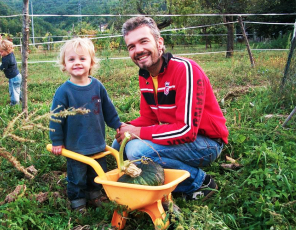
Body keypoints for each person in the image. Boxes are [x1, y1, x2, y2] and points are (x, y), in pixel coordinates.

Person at [113, 16, 229, 201]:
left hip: (206, 142)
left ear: (159, 43)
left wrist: (139, 132)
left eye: (144, 41)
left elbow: (187, 130)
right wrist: (125, 128)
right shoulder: (145, 76)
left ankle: (199, 183)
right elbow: (148, 119)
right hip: (181, 136)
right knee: (120, 143)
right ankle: (118, 188)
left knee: (136, 151)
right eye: (131, 46)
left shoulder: (186, 69)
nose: (138, 50)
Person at [49, 37, 122, 213]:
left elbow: (108, 109)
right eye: (71, 59)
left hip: (97, 142)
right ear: (64, 65)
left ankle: (94, 195)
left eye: (82, 59)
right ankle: (78, 202)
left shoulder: (97, 86)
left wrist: (117, 124)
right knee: (77, 177)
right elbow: (56, 118)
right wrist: (57, 141)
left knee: (97, 174)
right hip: (76, 147)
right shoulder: (64, 92)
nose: (77, 63)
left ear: (91, 62)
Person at [0, 35, 22, 106]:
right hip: (18, 76)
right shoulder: (10, 53)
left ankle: (14, 104)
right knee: (18, 89)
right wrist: (0, 41)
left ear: (7, 50)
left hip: (13, 78)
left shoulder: (6, 60)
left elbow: (2, 67)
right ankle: (22, 99)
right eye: (0, 51)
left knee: (13, 91)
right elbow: (4, 47)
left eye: (1, 52)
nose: (0, 53)